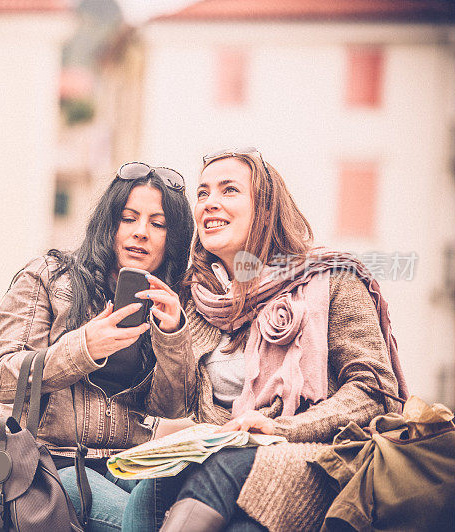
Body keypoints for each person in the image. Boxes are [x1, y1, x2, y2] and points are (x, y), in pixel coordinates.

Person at [146, 148, 409, 532]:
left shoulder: (330, 279)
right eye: (202, 194)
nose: (209, 203)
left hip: (315, 457)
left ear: (265, 209)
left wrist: (281, 429)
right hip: (215, 460)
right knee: (149, 491)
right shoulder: (194, 297)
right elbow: (172, 410)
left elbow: (374, 391)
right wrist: (171, 338)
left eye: (229, 190)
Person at [0, 162, 194, 531]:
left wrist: (173, 334)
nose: (141, 233)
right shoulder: (47, 277)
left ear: (172, 239)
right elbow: (2, 377)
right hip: (52, 468)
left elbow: (174, 406)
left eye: (158, 224)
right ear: (108, 223)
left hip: (135, 468)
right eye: (128, 218)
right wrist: (84, 346)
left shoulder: (172, 301)